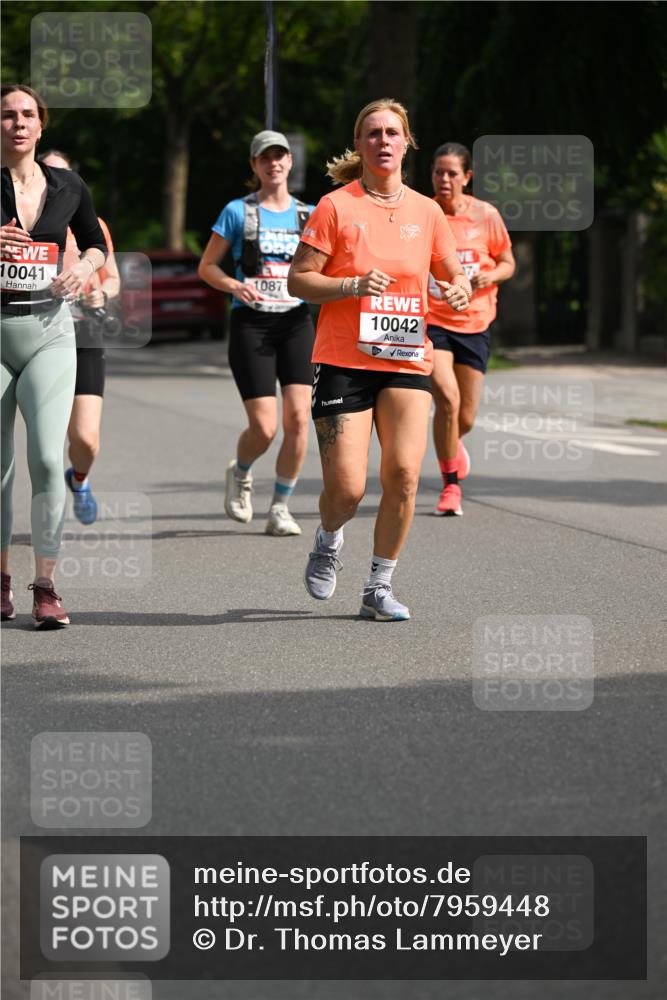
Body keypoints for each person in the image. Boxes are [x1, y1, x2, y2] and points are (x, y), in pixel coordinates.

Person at [287, 99, 471, 622]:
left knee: (405, 476)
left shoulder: (427, 211)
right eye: (373, 134)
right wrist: (351, 284)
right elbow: (298, 279)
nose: (383, 141)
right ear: (360, 144)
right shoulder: (335, 206)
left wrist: (457, 290)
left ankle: (378, 586)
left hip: (408, 356)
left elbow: (453, 272)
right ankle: (328, 538)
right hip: (343, 358)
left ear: (407, 141)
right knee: (346, 488)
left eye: (393, 133)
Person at [1, 85, 106, 628]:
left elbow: (95, 242)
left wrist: (83, 269)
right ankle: (0, 580)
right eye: (7, 116)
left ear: (41, 126)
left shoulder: (68, 184)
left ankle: (46, 584)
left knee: (45, 458)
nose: (18, 123)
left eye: (27, 115)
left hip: (49, 331)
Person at [199, 130, 316, 537]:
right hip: (252, 322)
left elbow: (328, 266)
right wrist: (234, 285)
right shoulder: (237, 211)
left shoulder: (309, 214)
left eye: (280, 156)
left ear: (289, 162)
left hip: (296, 321)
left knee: (300, 419)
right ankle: (242, 471)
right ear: (255, 166)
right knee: (265, 427)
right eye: (265, 157)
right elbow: (207, 267)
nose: (274, 163)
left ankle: (281, 507)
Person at [427, 142, 515, 516]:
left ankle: (452, 442)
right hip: (433, 320)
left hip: (476, 322)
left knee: (465, 417)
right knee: (446, 398)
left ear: (467, 176)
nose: (444, 180)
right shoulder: (426, 214)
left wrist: (488, 275)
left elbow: (508, 262)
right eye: (438, 172)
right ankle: (451, 488)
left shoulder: (486, 215)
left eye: (452, 173)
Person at [39, 150, 120, 526]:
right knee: (45, 442)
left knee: (85, 440)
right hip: (36, 330)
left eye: (63, 174)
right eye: (49, 173)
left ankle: (80, 480)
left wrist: (103, 293)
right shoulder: (19, 218)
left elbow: (113, 277)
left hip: (84, 330)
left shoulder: (92, 225)